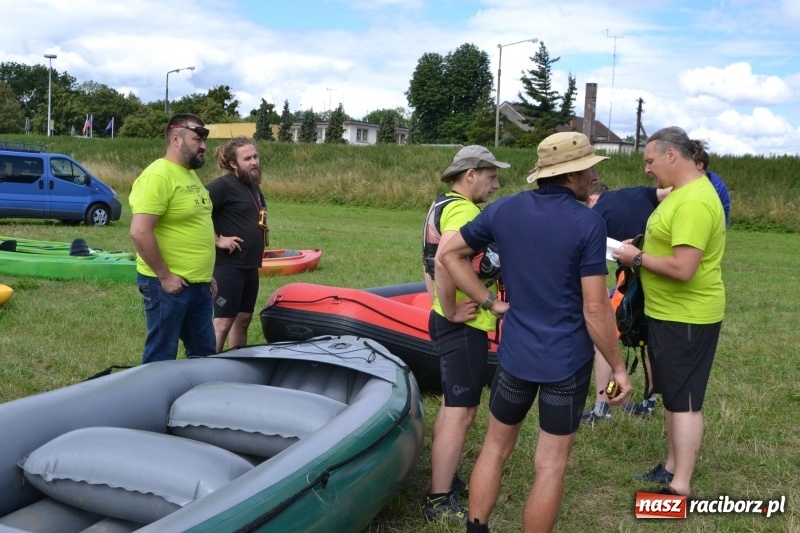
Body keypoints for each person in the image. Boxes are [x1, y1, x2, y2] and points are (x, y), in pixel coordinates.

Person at [439, 132, 632, 533]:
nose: (594, 176)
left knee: (495, 447)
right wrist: (617, 368)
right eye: (590, 169)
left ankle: (476, 528)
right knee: (550, 465)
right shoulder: (588, 223)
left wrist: (489, 302)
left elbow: (447, 254)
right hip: (566, 362)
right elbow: (595, 307)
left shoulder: (503, 210)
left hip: (514, 357)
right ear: (572, 174)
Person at [613, 126, 725, 497]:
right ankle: (671, 466)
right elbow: (672, 241)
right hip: (669, 312)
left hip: (688, 315)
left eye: (650, 160)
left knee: (686, 401)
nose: (647, 169)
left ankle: (679, 488)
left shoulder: (694, 201)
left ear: (672, 156)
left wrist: (637, 258)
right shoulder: (682, 194)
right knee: (674, 396)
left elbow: (684, 268)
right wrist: (640, 245)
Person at [421, 145, 509, 523]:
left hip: (446, 318)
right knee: (462, 410)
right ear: (470, 174)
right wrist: (474, 304)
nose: (496, 184)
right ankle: (439, 498)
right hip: (464, 323)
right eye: (491, 177)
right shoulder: (464, 210)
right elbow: (445, 260)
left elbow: (429, 261)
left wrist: (439, 305)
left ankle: (443, 479)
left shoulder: (440, 205)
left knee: (451, 404)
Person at [129, 113, 216, 364]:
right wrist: (165, 277)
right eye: (197, 138)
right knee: (161, 357)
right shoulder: (158, 175)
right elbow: (139, 231)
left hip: (198, 285)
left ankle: (200, 402)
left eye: (204, 139)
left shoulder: (189, 174)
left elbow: (197, 225)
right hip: (167, 286)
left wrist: (208, 276)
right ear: (176, 139)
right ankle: (152, 403)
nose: (203, 145)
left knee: (205, 355)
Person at [582, 181, 669, 423]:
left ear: (592, 198)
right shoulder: (640, 194)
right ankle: (649, 402)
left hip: (631, 280)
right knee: (649, 340)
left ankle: (603, 405)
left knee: (604, 340)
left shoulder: (597, 214)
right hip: (657, 277)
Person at [206, 137, 267, 353]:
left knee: (243, 319)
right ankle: (207, 369)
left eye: (255, 156)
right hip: (228, 266)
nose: (254, 162)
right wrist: (217, 239)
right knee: (223, 322)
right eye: (247, 158)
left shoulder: (252, 186)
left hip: (250, 266)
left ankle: (236, 364)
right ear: (233, 164)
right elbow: (196, 212)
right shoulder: (222, 186)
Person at [693, 143, 731, 227]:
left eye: (688, 161)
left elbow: (725, 216)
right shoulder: (678, 182)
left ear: (699, 165)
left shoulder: (719, 187)